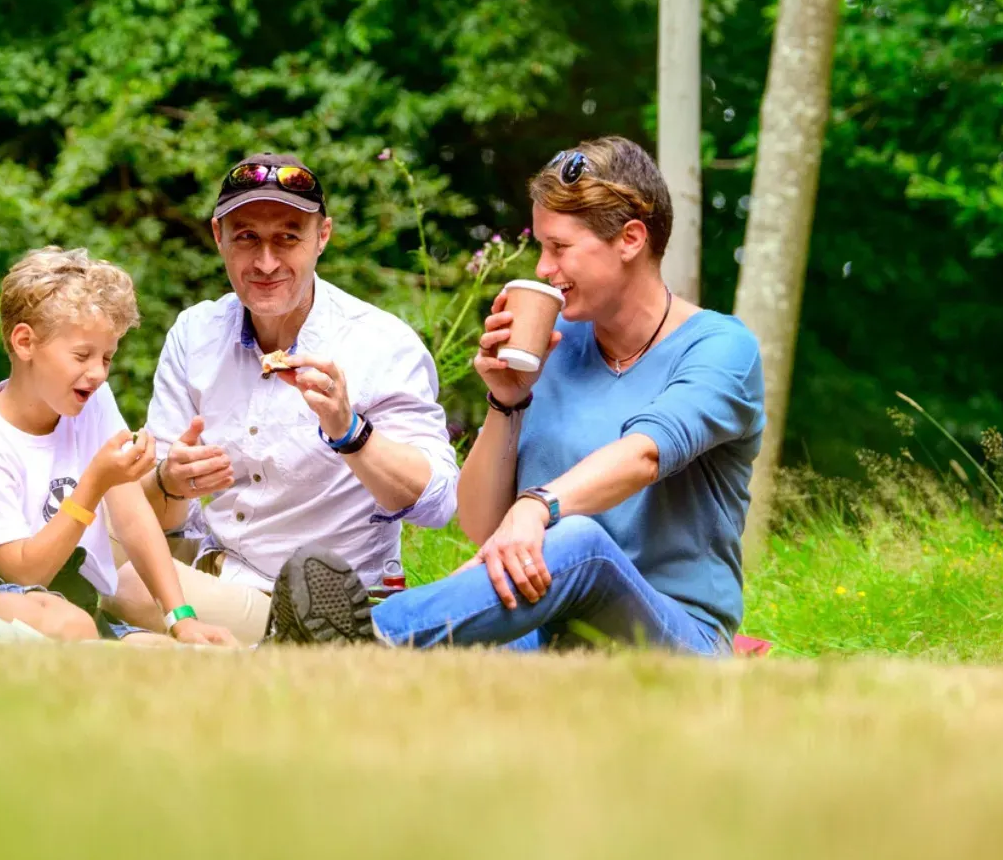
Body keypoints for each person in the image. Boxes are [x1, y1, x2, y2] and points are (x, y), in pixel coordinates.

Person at [270, 137, 765, 655]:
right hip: (546, 630)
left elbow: (644, 455)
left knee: (581, 541)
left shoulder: (721, 349)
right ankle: (325, 647)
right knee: (453, 664)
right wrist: (506, 402)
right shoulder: (553, 347)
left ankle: (367, 635)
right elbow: (484, 528)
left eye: (560, 247)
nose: (544, 269)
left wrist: (536, 508)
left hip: (674, 636)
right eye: (541, 249)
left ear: (631, 239)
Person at [88, 152, 462, 645]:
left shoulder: (380, 344)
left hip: (326, 598)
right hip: (213, 571)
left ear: (322, 237)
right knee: (77, 526)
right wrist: (169, 481)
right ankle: (230, 646)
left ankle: (316, 638)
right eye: (247, 238)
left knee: (127, 585)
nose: (266, 263)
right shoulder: (195, 333)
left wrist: (351, 433)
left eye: (288, 237)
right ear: (218, 236)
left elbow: (438, 503)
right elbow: (152, 511)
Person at [0, 248, 238, 645]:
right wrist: (93, 485)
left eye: (107, 357)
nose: (97, 373)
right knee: (70, 627)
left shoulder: (92, 402)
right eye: (82, 355)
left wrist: (181, 619)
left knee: (168, 650)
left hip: (63, 592)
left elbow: (132, 517)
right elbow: (24, 574)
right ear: (25, 342)